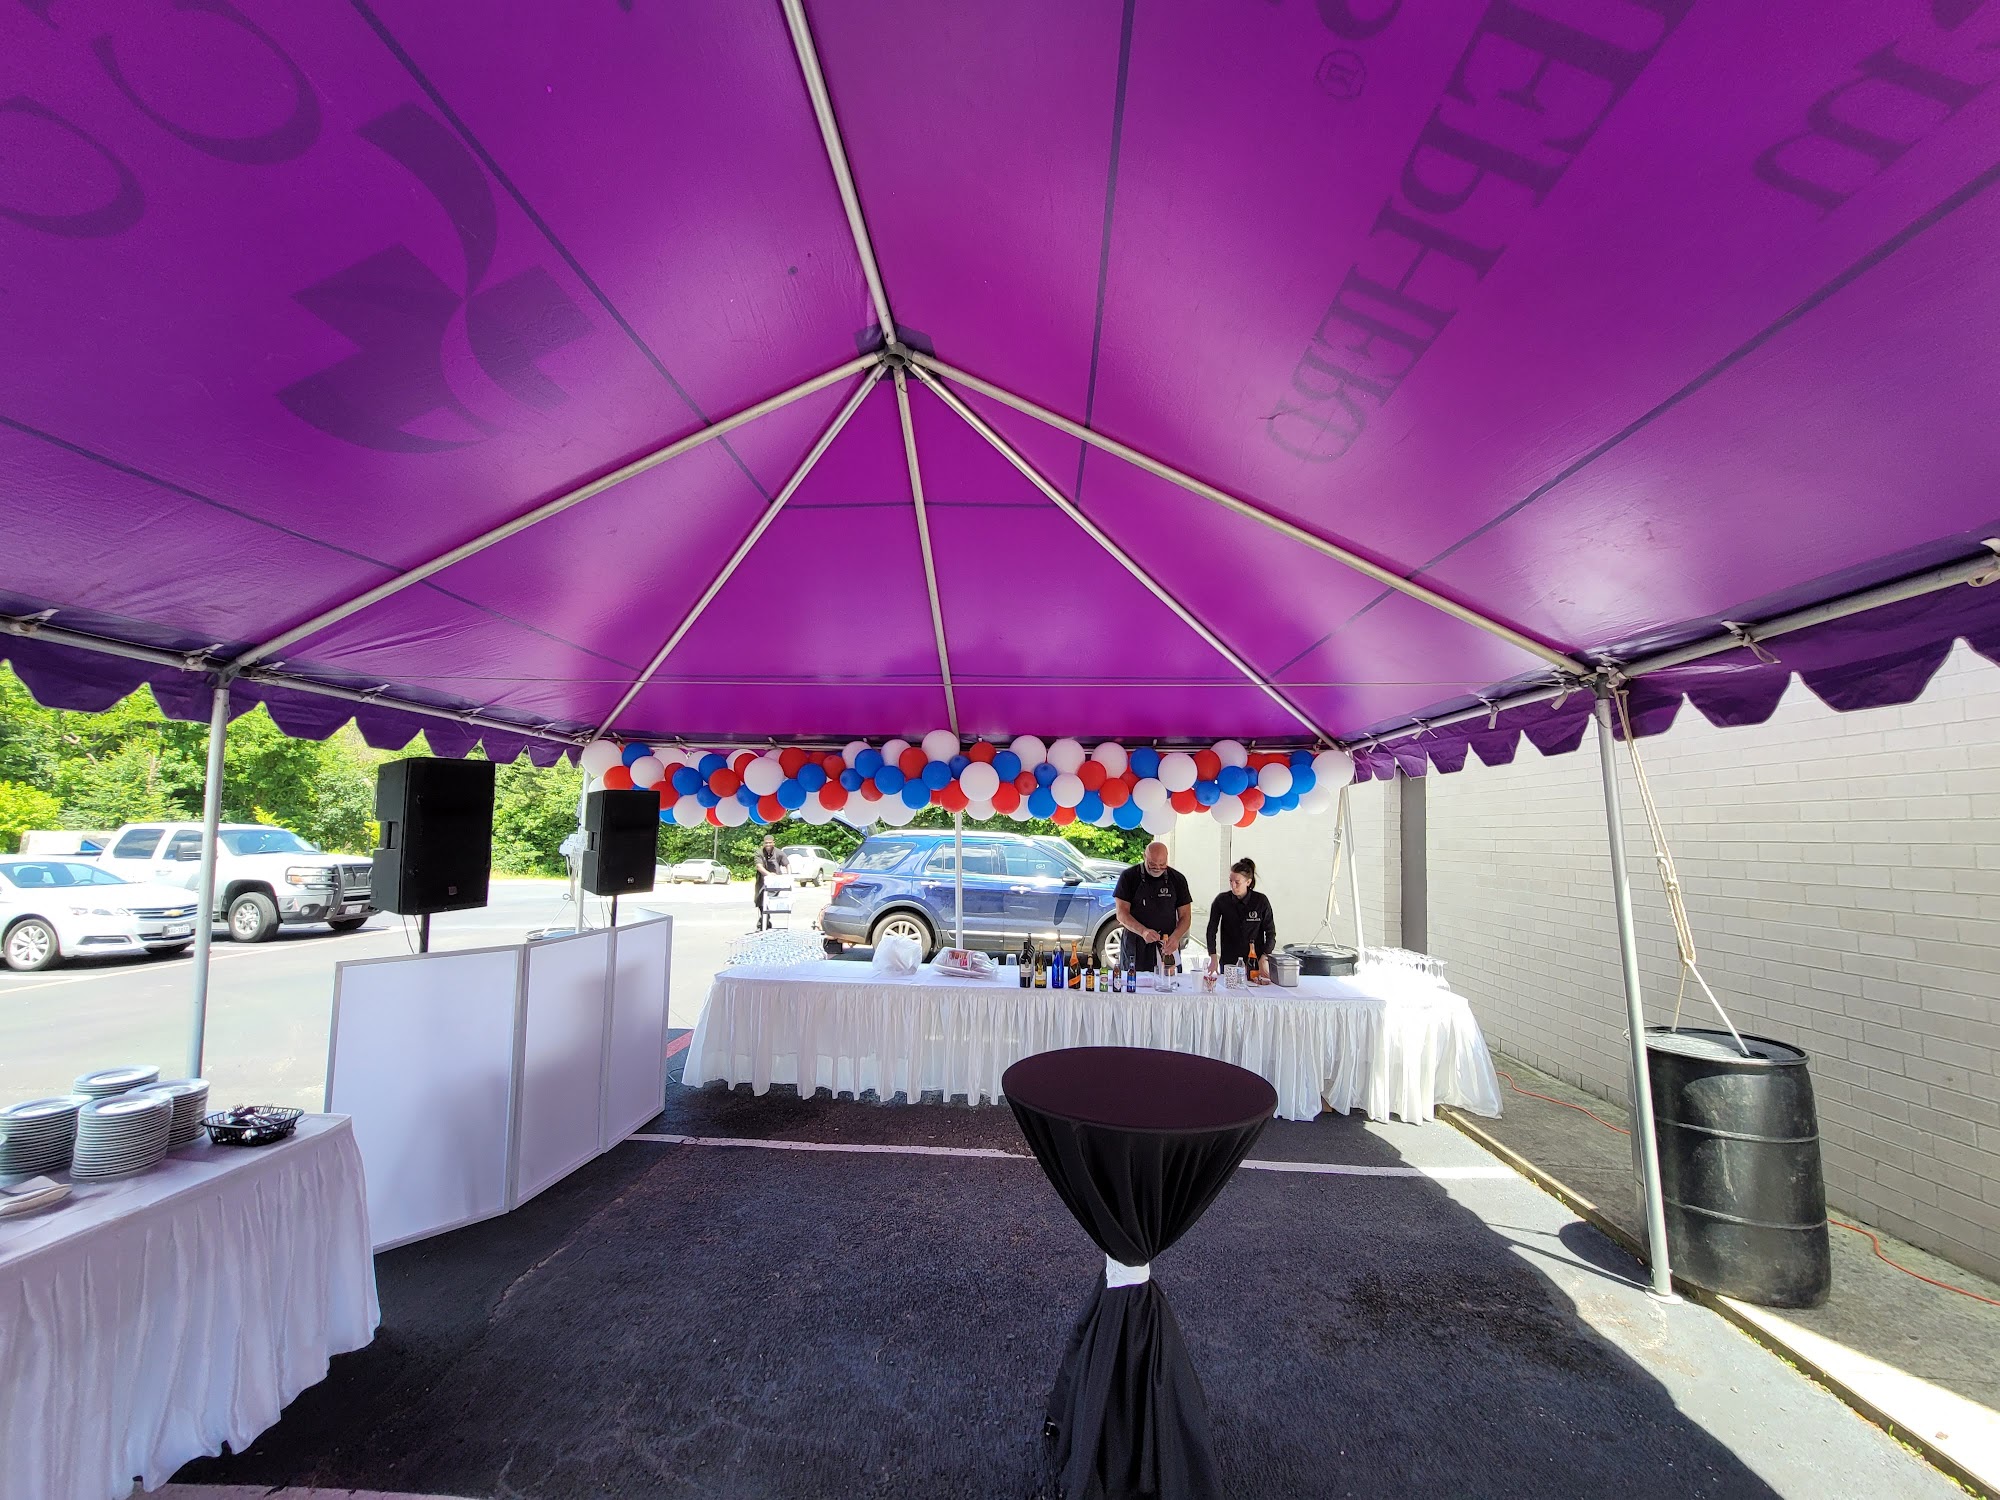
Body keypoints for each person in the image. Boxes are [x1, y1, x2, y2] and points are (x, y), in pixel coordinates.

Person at [1113, 841, 1192, 974]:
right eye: (1152, 864)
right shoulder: (1129, 877)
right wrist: (1143, 931)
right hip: (1136, 943)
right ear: (1144, 856)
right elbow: (1121, 914)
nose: (1157, 868)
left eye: (1162, 864)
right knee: (1134, 982)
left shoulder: (1178, 879)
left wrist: (1176, 937)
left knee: (1169, 982)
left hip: (1167, 944)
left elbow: (1186, 916)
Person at [1206, 857, 1276, 978]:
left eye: (1237, 882)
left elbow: (1271, 933)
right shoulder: (1222, 900)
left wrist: (1265, 957)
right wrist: (1213, 956)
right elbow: (1211, 930)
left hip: (1255, 960)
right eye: (1231, 881)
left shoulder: (1260, 901)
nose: (1233, 885)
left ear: (1248, 882)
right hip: (1229, 961)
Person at [754, 836, 782, 930]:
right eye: (766, 843)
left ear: (773, 842)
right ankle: (765, 923)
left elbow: (787, 863)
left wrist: (788, 877)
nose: (768, 844)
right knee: (760, 902)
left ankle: (763, 924)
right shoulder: (759, 853)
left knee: (769, 903)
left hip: (775, 883)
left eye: (770, 842)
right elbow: (759, 866)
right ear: (763, 843)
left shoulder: (778, 852)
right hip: (762, 882)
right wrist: (769, 875)